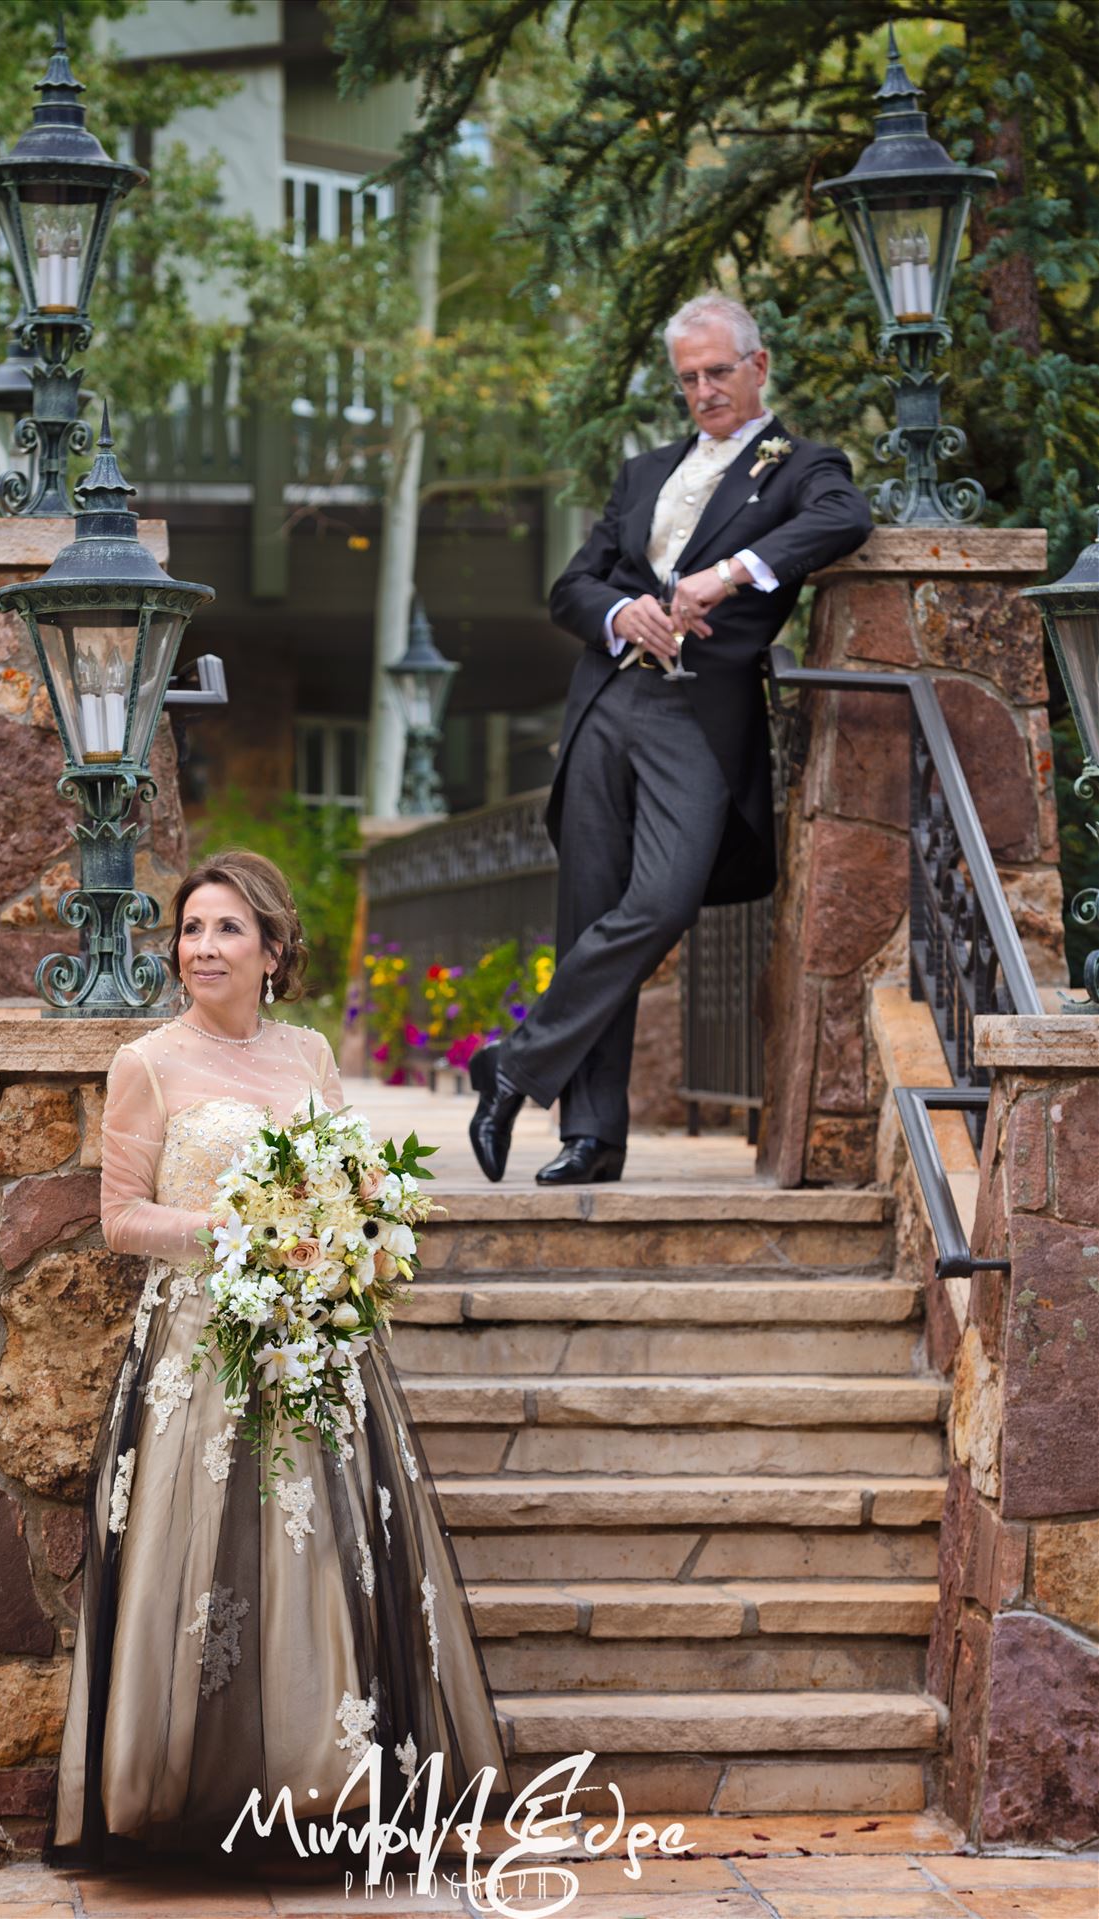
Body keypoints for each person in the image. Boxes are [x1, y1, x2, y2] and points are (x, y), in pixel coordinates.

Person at [53, 851, 508, 1862]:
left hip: (313, 1338)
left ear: (272, 949)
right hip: (202, 1348)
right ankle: (198, 1788)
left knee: (317, 1557)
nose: (202, 946)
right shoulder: (148, 1062)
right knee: (205, 1562)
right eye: (190, 929)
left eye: (225, 928)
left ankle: (326, 1782)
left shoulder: (307, 1055)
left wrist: (348, 1240)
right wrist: (237, 1234)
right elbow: (119, 1217)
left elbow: (343, 1185)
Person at [470, 292, 874, 1186]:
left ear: (757, 367)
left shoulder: (801, 464)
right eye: (688, 377)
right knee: (589, 910)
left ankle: (514, 1065)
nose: (702, 390)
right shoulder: (643, 472)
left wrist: (731, 574)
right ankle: (592, 1136)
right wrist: (622, 611)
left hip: (701, 715)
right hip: (608, 699)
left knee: (660, 900)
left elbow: (845, 519)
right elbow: (570, 588)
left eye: (717, 372)